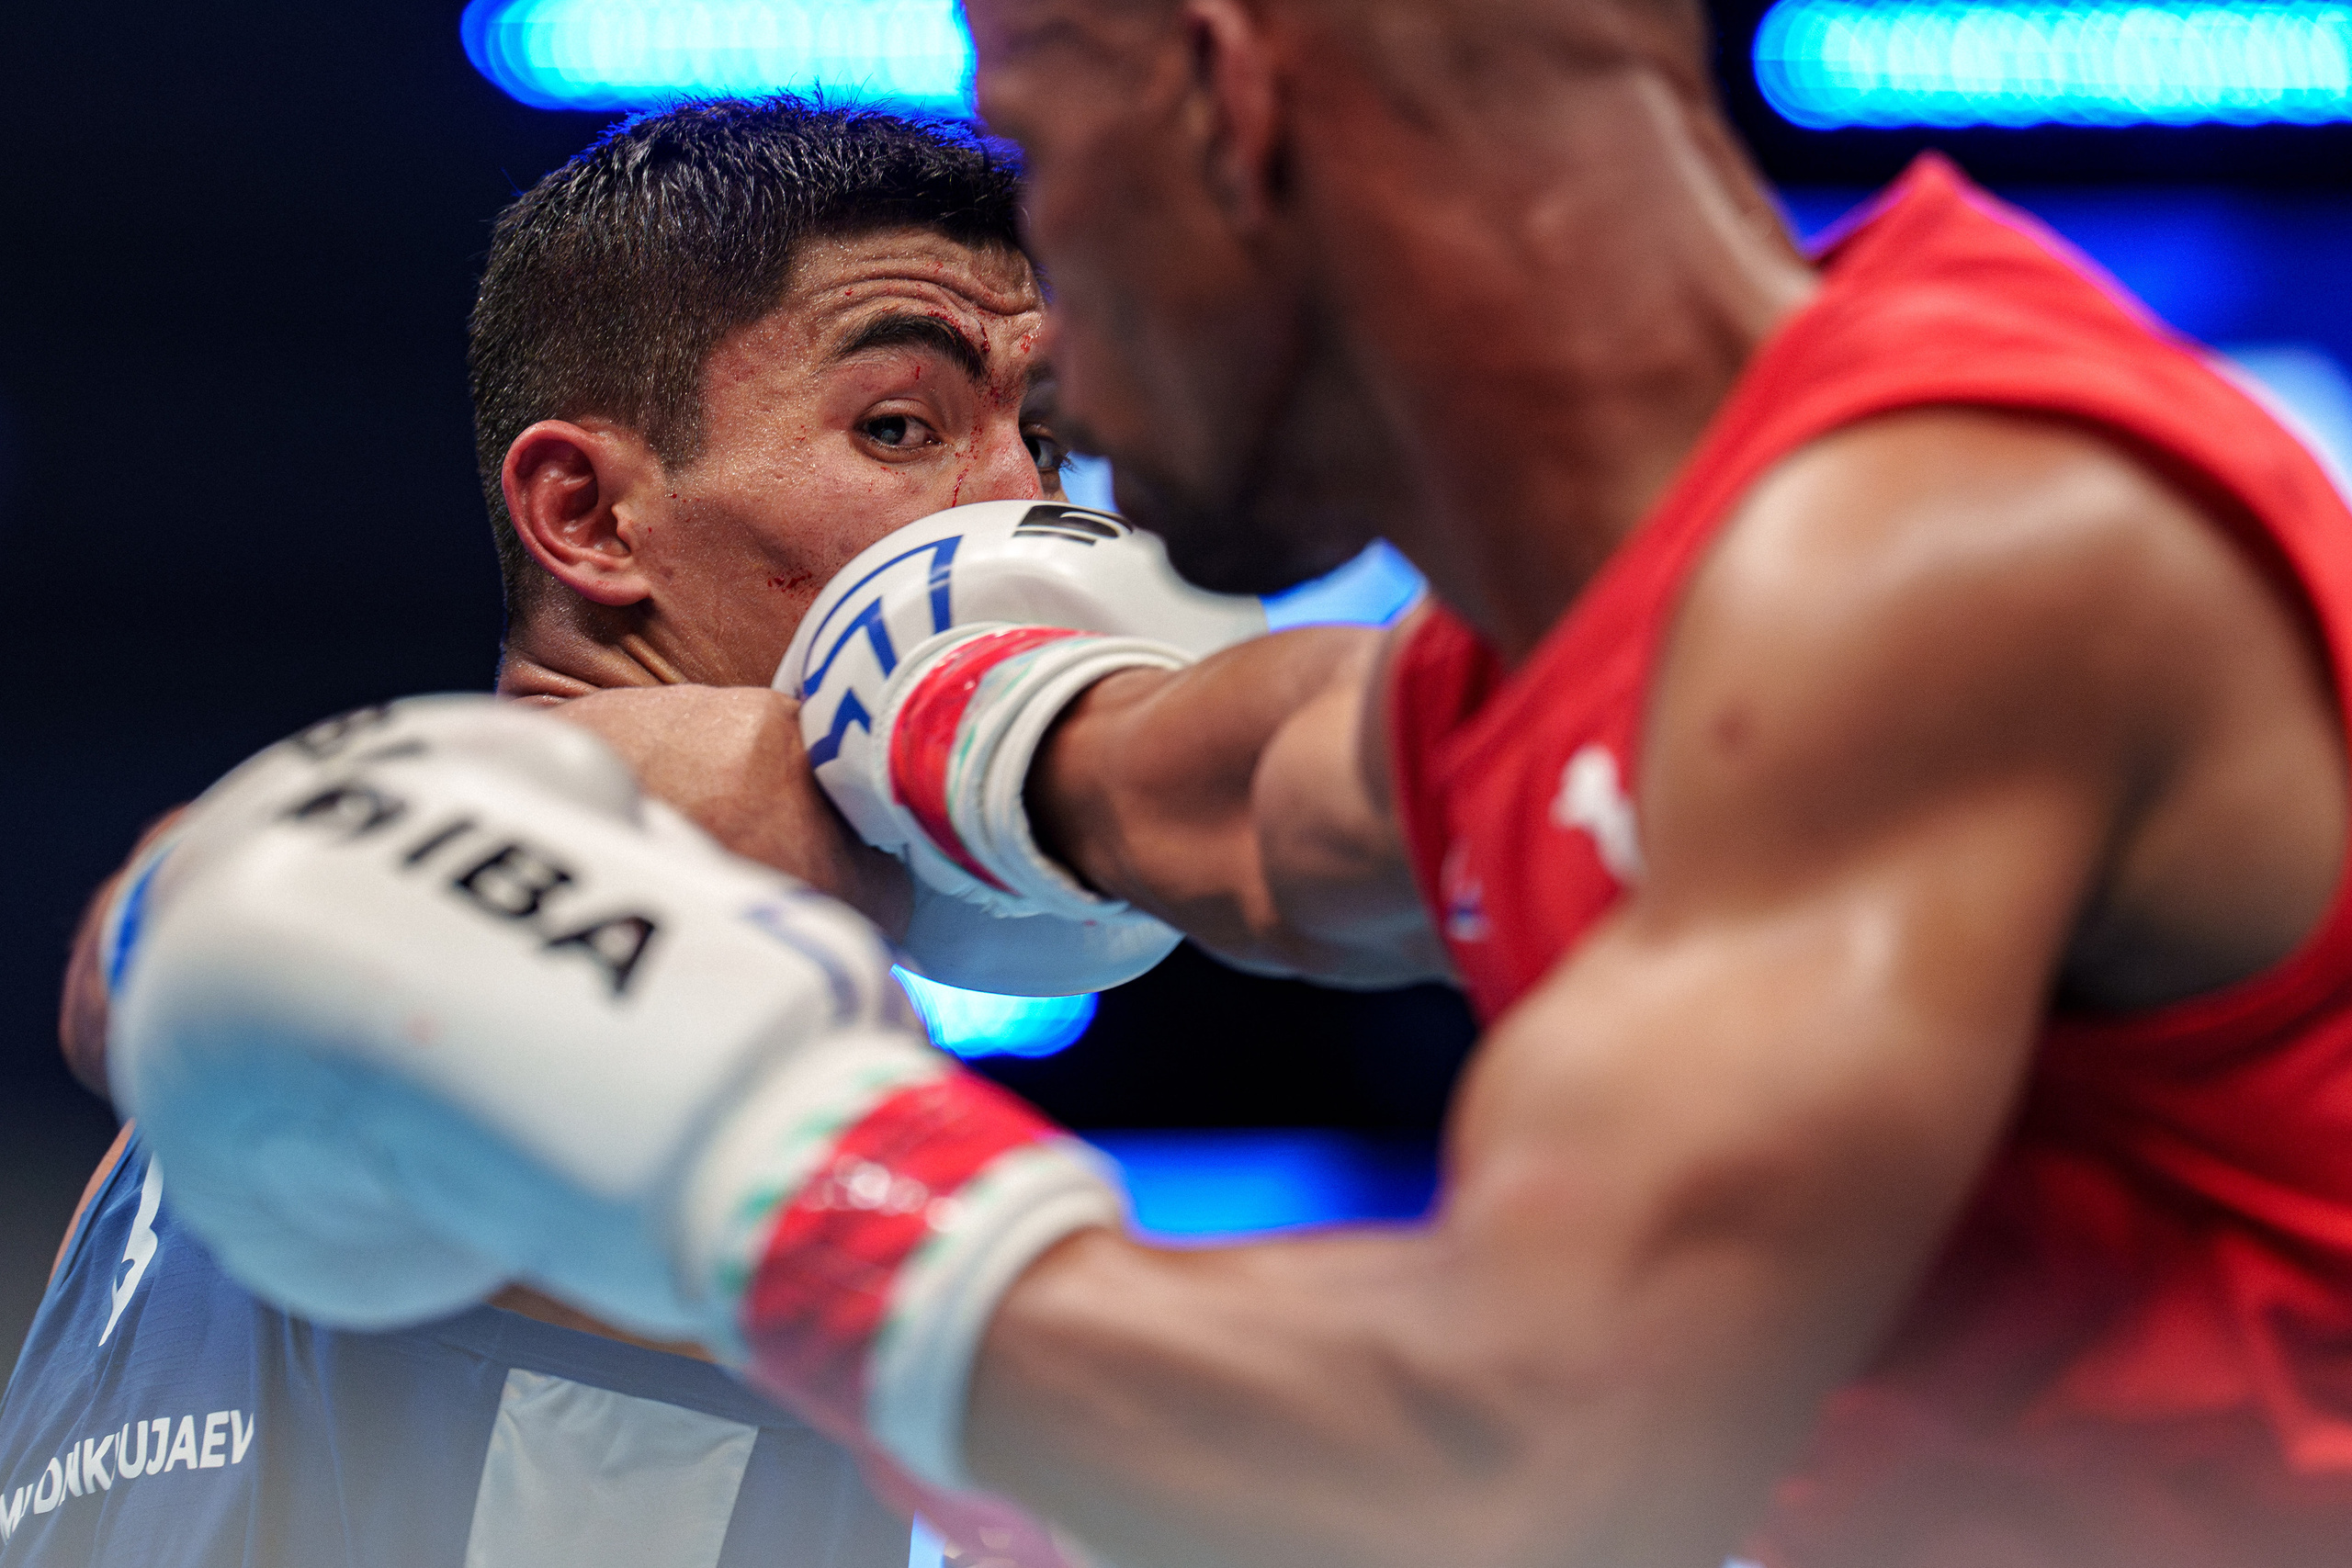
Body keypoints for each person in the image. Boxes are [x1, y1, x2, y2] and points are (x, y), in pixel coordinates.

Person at [90, 5, 2352, 1568]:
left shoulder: (1925, 564)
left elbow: (1517, 1451)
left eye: (1048, 157)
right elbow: (1195, 784)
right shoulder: (1610, 655)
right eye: (911, 424)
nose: (1053, 392)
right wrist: (878, 716)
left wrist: (748, 1160)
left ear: (1223, 94)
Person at [6, 96, 1076, 1567]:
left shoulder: (172, 1134)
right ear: (588, 516)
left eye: (1049, 438)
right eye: (899, 427)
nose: (1027, 503)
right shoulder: (696, 998)